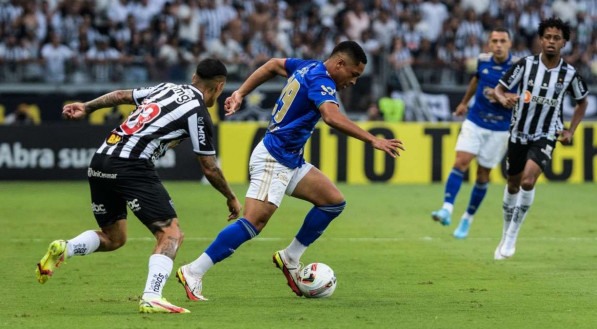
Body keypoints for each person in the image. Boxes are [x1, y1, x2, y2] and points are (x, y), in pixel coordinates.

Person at [175, 41, 404, 300]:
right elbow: (331, 116)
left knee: (332, 202)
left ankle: (290, 257)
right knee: (253, 222)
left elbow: (273, 65)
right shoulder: (321, 80)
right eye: (353, 74)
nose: (353, 82)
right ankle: (194, 271)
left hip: (290, 159)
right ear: (339, 64)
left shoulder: (308, 67)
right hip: (274, 159)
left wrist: (241, 92)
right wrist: (372, 139)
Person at [35, 58, 242, 313]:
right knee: (171, 234)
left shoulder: (165, 88)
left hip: (101, 160)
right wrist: (231, 196)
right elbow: (209, 166)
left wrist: (87, 107)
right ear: (219, 87)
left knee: (114, 238)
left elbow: (121, 95)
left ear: (193, 76)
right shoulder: (197, 112)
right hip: (131, 165)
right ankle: (152, 296)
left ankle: (67, 248)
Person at [493, 17, 589, 260]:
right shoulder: (525, 65)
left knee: (527, 181)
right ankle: (505, 233)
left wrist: (570, 130)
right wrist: (503, 98)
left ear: (564, 43)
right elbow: (499, 88)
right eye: (547, 37)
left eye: (556, 38)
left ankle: (513, 235)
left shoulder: (569, 73)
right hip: (518, 133)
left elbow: (582, 102)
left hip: (546, 134)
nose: (551, 41)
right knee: (512, 184)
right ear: (541, 39)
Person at [431, 27, 517, 239]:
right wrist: (463, 103)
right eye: (494, 41)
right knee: (460, 161)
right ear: (489, 44)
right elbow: (476, 80)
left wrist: (505, 98)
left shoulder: (518, 67)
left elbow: (524, 95)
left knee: (482, 175)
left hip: (499, 128)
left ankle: (467, 218)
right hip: (475, 121)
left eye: (502, 41)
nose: (498, 45)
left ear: (510, 44)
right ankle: (447, 209)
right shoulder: (482, 61)